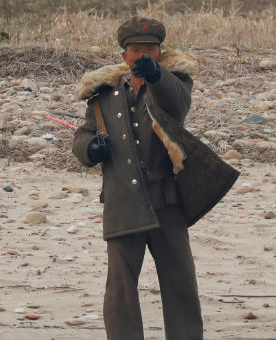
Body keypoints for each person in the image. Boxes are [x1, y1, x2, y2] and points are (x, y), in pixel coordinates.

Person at [72, 16, 239, 340]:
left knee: (180, 283)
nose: (143, 55)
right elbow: (82, 135)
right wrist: (91, 148)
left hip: (167, 203)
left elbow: (177, 104)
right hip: (122, 204)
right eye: (136, 49)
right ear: (124, 55)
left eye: (151, 49)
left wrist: (156, 76)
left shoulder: (174, 82)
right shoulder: (103, 93)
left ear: (160, 52)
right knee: (120, 290)